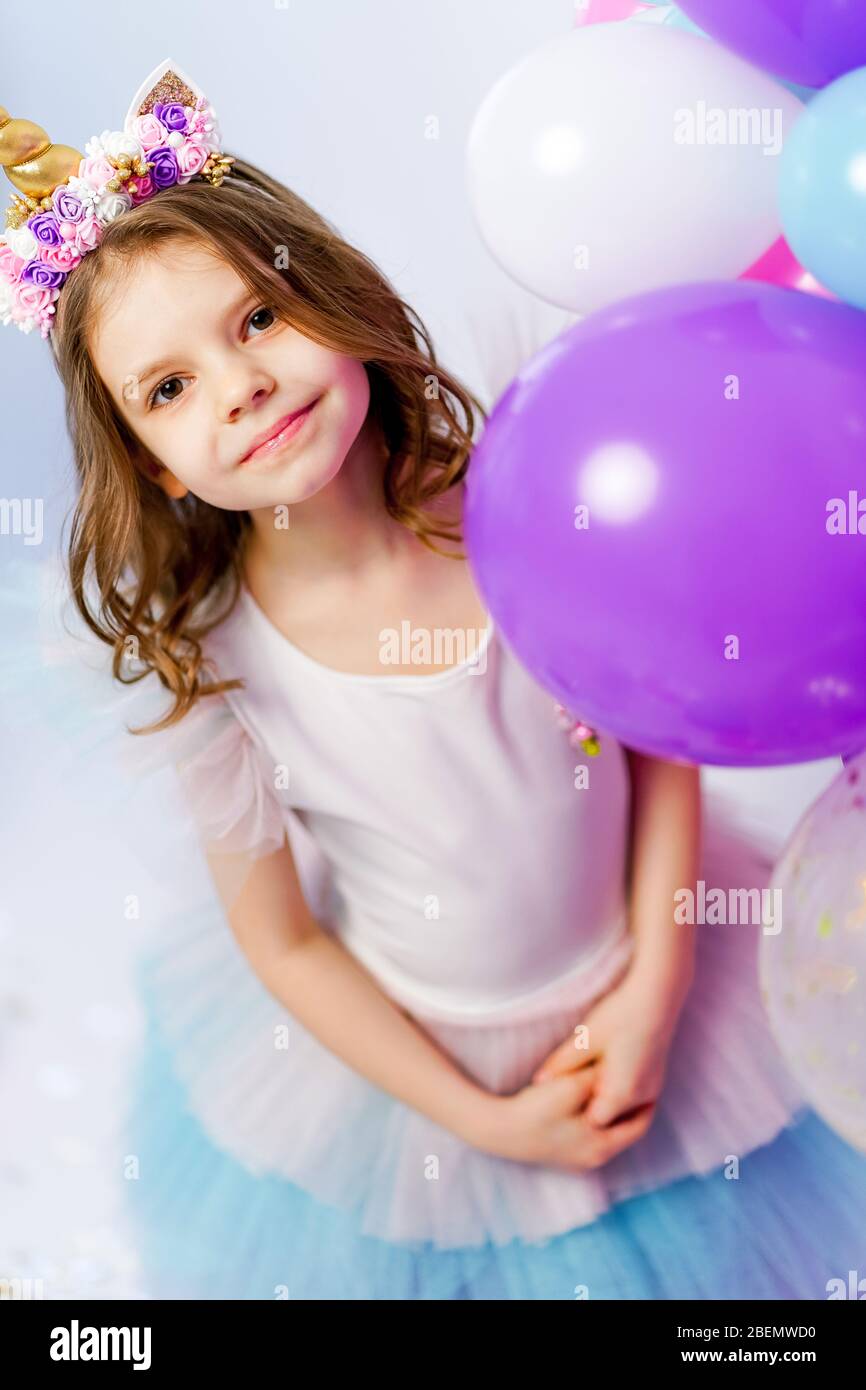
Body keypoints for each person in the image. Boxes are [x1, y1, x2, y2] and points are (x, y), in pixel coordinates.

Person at [2, 58, 865, 1301]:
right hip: (433, 1053)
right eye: (172, 388)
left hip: (646, 952)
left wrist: (657, 983)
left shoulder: (524, 492)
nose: (240, 384)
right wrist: (483, 1119)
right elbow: (289, 946)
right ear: (156, 469)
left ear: (336, 297)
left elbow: (654, 719)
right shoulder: (216, 677)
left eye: (257, 317)